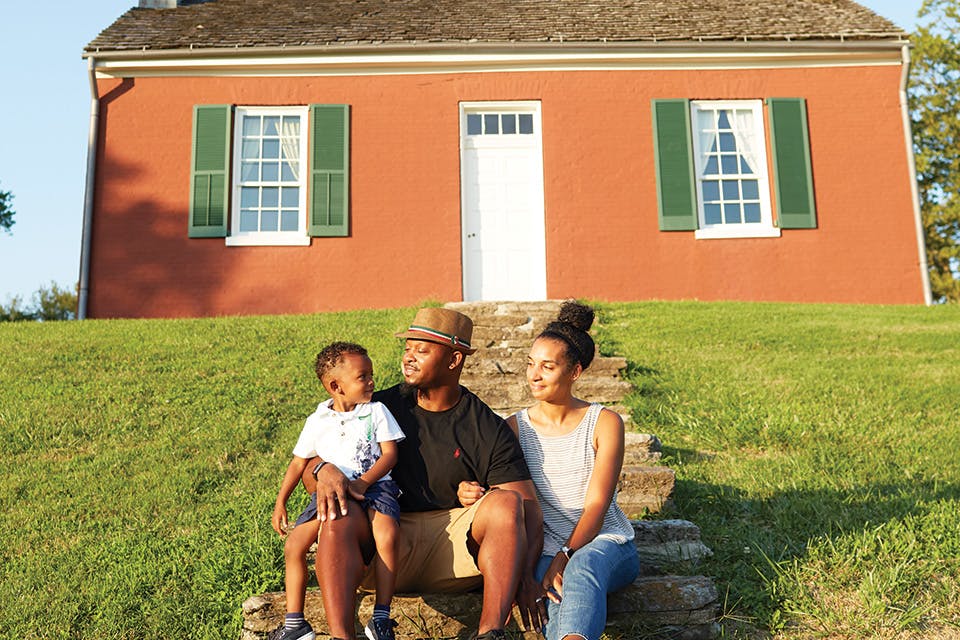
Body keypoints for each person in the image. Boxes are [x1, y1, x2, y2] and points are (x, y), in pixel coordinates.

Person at [305, 308, 545, 640]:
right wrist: (323, 469)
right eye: (408, 348)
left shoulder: (486, 426)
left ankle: (491, 632)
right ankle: (341, 636)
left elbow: (527, 508)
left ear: (453, 360)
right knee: (336, 512)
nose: (409, 358)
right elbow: (308, 469)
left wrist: (527, 576)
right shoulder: (376, 408)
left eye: (422, 349)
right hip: (383, 542)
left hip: (453, 552)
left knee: (506, 502)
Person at [459, 301, 639, 640]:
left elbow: (598, 505)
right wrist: (467, 490)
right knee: (552, 599)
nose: (534, 375)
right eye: (530, 364)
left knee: (581, 568)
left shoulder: (604, 423)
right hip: (541, 549)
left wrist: (566, 554)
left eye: (547, 366)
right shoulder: (514, 427)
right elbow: (494, 489)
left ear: (575, 372)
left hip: (607, 544)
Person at [271, 342, 405, 640]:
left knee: (387, 535)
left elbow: (389, 455)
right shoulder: (317, 420)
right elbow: (297, 464)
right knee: (294, 546)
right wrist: (281, 502)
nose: (372, 382)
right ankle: (295, 622)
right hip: (330, 495)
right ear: (336, 386)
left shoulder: (376, 412)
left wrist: (363, 482)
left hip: (376, 488)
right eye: (363, 376)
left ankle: (381, 616)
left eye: (371, 374)